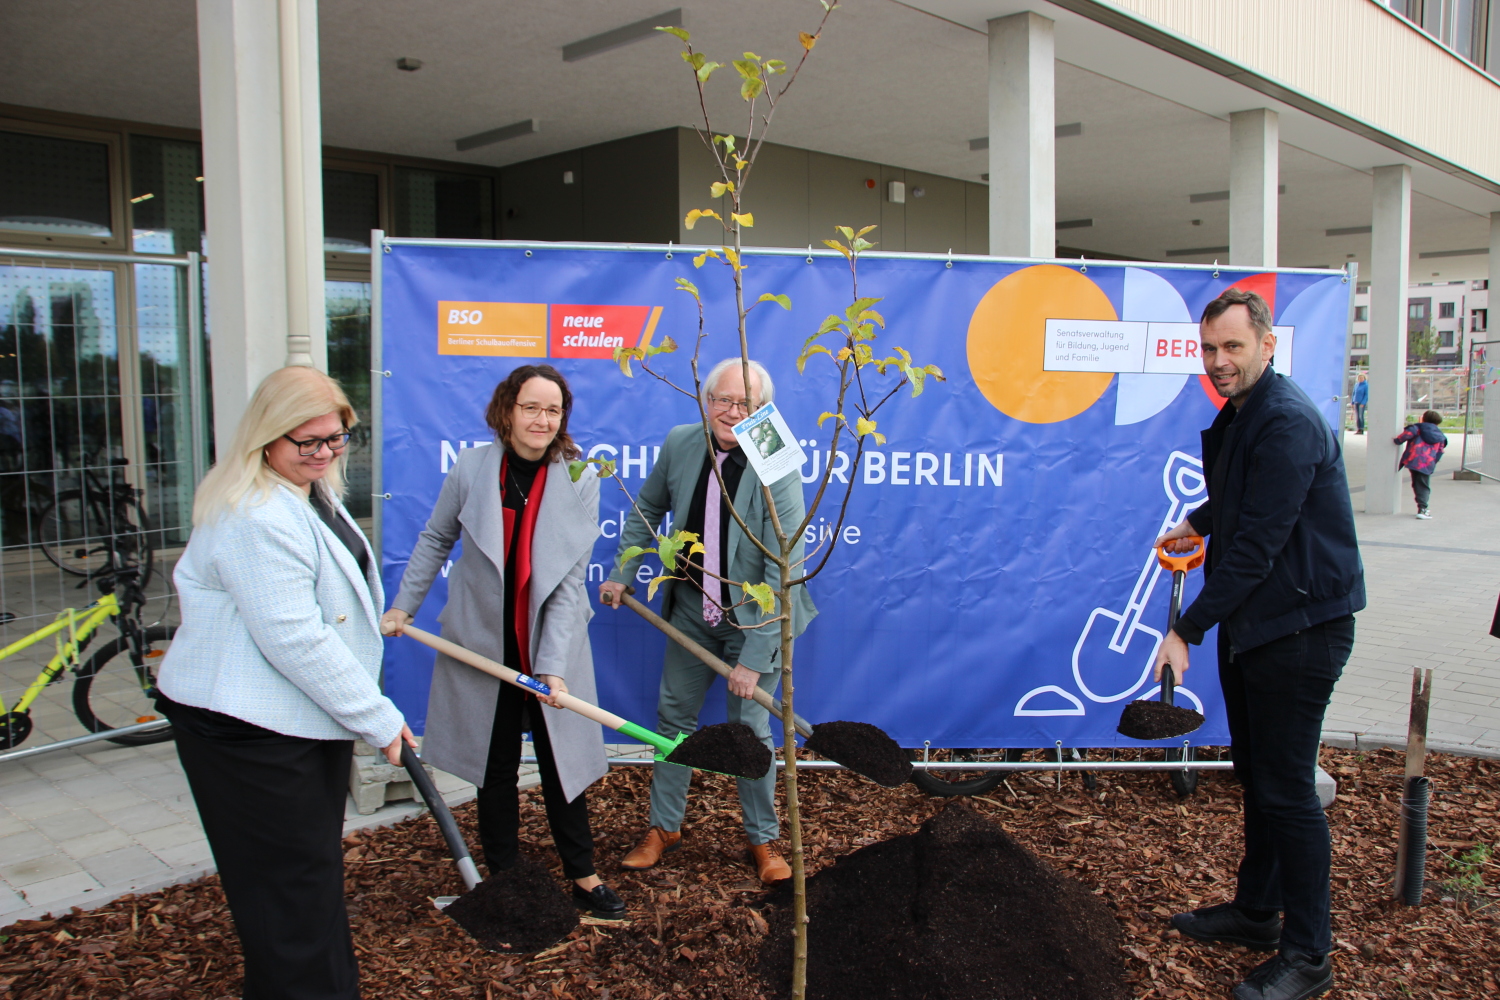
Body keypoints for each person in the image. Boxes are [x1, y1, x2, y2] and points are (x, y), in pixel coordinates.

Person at [155, 366, 415, 1000]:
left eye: (337, 438)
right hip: (249, 733)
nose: (326, 453)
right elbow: (295, 639)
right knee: (290, 891)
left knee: (302, 881)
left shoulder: (303, 489)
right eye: (309, 441)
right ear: (266, 437)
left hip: (291, 720)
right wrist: (378, 718)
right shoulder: (256, 514)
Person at [1154, 289, 1364, 1000]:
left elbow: (1258, 551)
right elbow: (1248, 498)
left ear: (1267, 346)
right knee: (1261, 777)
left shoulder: (1289, 422)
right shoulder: (1247, 415)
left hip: (1301, 627)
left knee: (1288, 789)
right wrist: (1198, 521)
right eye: (1209, 349)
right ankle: (1256, 914)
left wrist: (1185, 629)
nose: (1218, 362)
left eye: (1232, 347)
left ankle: (1309, 956)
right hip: (1263, 623)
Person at [382, 365, 623, 918]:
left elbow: (568, 579)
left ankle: (583, 877)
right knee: (494, 770)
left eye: (553, 410)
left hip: (549, 646)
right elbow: (436, 537)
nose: (542, 419)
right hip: (483, 644)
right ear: (507, 410)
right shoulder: (472, 468)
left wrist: (554, 666)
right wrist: (403, 607)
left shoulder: (579, 475)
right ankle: (506, 878)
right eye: (531, 407)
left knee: (563, 767)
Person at [599, 357, 816, 885]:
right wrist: (625, 570)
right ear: (705, 400)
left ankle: (762, 839)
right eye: (722, 399)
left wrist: (755, 655)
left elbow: (784, 566)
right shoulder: (681, 442)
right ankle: (664, 827)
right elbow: (647, 509)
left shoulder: (775, 458)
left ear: (763, 409)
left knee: (751, 730)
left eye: (745, 403)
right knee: (673, 718)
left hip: (753, 618)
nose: (731, 411)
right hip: (694, 611)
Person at [1394, 409, 1448, 520]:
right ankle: (1423, 509)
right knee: (1423, 485)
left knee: (1417, 483)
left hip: (1414, 460)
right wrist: (1433, 462)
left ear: (1423, 418)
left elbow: (1405, 436)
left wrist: (1397, 441)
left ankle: (1422, 507)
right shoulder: (1440, 435)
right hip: (1427, 463)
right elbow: (1440, 451)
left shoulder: (1417, 428)